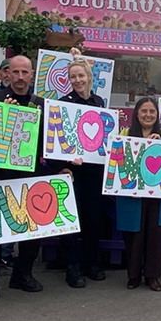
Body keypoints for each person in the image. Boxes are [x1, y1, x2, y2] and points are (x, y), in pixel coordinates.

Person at [0, 54, 49, 298]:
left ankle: (23, 275)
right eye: (15, 72)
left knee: (33, 230)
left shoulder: (41, 103)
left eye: (25, 73)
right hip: (0, 174)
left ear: (32, 75)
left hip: (33, 175)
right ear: (7, 73)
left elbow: (47, 143)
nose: (20, 77)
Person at [58, 51, 109, 287]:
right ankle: (73, 267)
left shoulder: (99, 103)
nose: (77, 80)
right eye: (72, 77)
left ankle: (91, 262)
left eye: (80, 75)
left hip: (94, 171)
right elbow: (56, 139)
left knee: (93, 217)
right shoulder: (63, 104)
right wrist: (62, 166)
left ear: (89, 77)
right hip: (72, 172)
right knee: (73, 219)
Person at [117, 97, 161, 291]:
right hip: (132, 195)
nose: (148, 115)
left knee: (155, 234)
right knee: (133, 234)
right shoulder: (125, 133)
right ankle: (133, 275)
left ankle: (153, 275)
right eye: (144, 111)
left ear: (157, 115)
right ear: (137, 114)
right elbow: (118, 159)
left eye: (152, 111)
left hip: (158, 196)